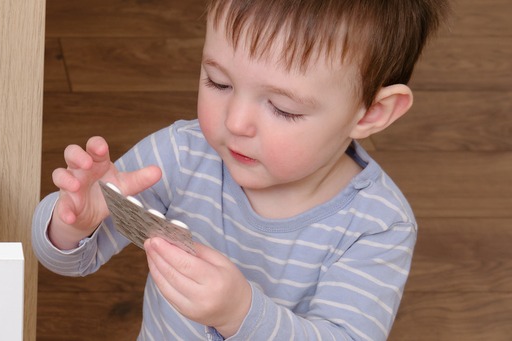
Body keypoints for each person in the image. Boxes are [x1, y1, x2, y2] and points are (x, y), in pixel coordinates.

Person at [32, 0, 450, 339]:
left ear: (372, 112)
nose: (235, 123)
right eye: (218, 82)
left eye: (283, 109)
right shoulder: (183, 153)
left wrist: (241, 315)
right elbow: (72, 261)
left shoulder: (377, 225)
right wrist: (72, 225)